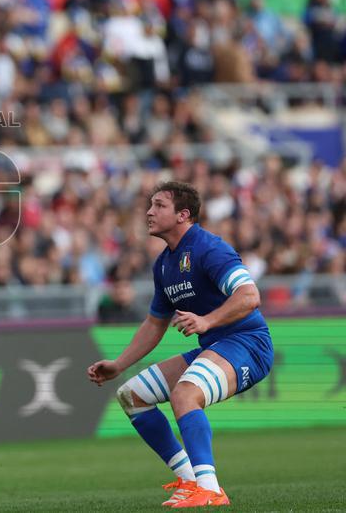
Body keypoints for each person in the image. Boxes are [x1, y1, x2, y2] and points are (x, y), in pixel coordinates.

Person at [87, 181, 273, 507]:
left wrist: (207, 321)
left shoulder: (209, 249)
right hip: (215, 346)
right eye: (150, 204)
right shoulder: (164, 264)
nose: (149, 211)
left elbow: (250, 296)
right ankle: (189, 480)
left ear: (183, 215)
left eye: (159, 205)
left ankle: (210, 488)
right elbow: (155, 323)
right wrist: (118, 365)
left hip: (247, 343)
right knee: (133, 396)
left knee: (185, 394)